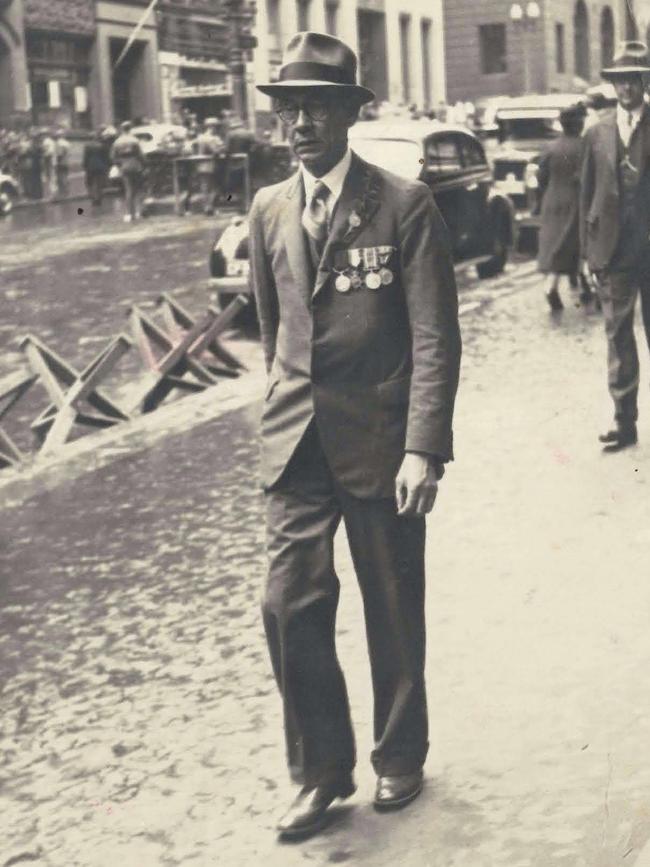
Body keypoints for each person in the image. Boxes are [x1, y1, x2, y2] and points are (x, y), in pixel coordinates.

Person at [249, 31, 462, 840]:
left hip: (381, 442)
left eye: (315, 107)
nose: (299, 123)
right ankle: (320, 771)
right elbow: (276, 333)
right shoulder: (270, 207)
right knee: (287, 602)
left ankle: (399, 755)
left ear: (347, 114)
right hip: (296, 442)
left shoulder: (403, 204)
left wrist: (422, 446)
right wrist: (279, 408)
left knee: (391, 603)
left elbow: (435, 336)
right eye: (287, 110)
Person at [580, 40, 650, 452]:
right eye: (620, 82)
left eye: (634, 81)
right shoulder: (598, 132)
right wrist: (587, 252)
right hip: (614, 251)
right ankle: (625, 423)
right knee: (618, 337)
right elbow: (587, 194)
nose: (627, 89)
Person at [536, 103, 588, 311]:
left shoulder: (550, 147)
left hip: (553, 199)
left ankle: (554, 285)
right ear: (579, 124)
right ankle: (581, 286)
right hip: (577, 201)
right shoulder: (586, 145)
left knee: (554, 244)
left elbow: (541, 177)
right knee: (576, 244)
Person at [110, 120, 146, 222]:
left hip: (124, 167)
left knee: (128, 190)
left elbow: (112, 157)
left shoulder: (117, 142)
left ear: (122, 129)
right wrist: (144, 164)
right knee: (139, 189)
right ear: (130, 128)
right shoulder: (134, 140)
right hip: (136, 165)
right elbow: (141, 155)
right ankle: (139, 211)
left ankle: (130, 213)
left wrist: (119, 164)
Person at [194, 117, 223, 215]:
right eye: (215, 127)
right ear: (212, 127)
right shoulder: (210, 138)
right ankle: (209, 207)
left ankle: (206, 207)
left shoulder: (200, 137)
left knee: (204, 187)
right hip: (210, 165)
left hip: (201, 165)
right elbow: (216, 151)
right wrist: (221, 147)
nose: (216, 129)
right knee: (214, 187)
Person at [83, 128, 112, 207]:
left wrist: (84, 166)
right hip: (100, 166)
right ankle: (99, 198)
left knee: (90, 183)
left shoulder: (87, 146)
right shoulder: (101, 146)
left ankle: (93, 198)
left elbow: (86, 157)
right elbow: (105, 157)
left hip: (90, 166)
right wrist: (108, 165)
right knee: (99, 183)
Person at [53, 128, 70, 198]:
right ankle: (66, 191)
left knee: (61, 177)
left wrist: (57, 162)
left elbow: (59, 154)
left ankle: (63, 192)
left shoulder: (58, 143)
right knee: (65, 176)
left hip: (61, 162)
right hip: (66, 161)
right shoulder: (66, 142)